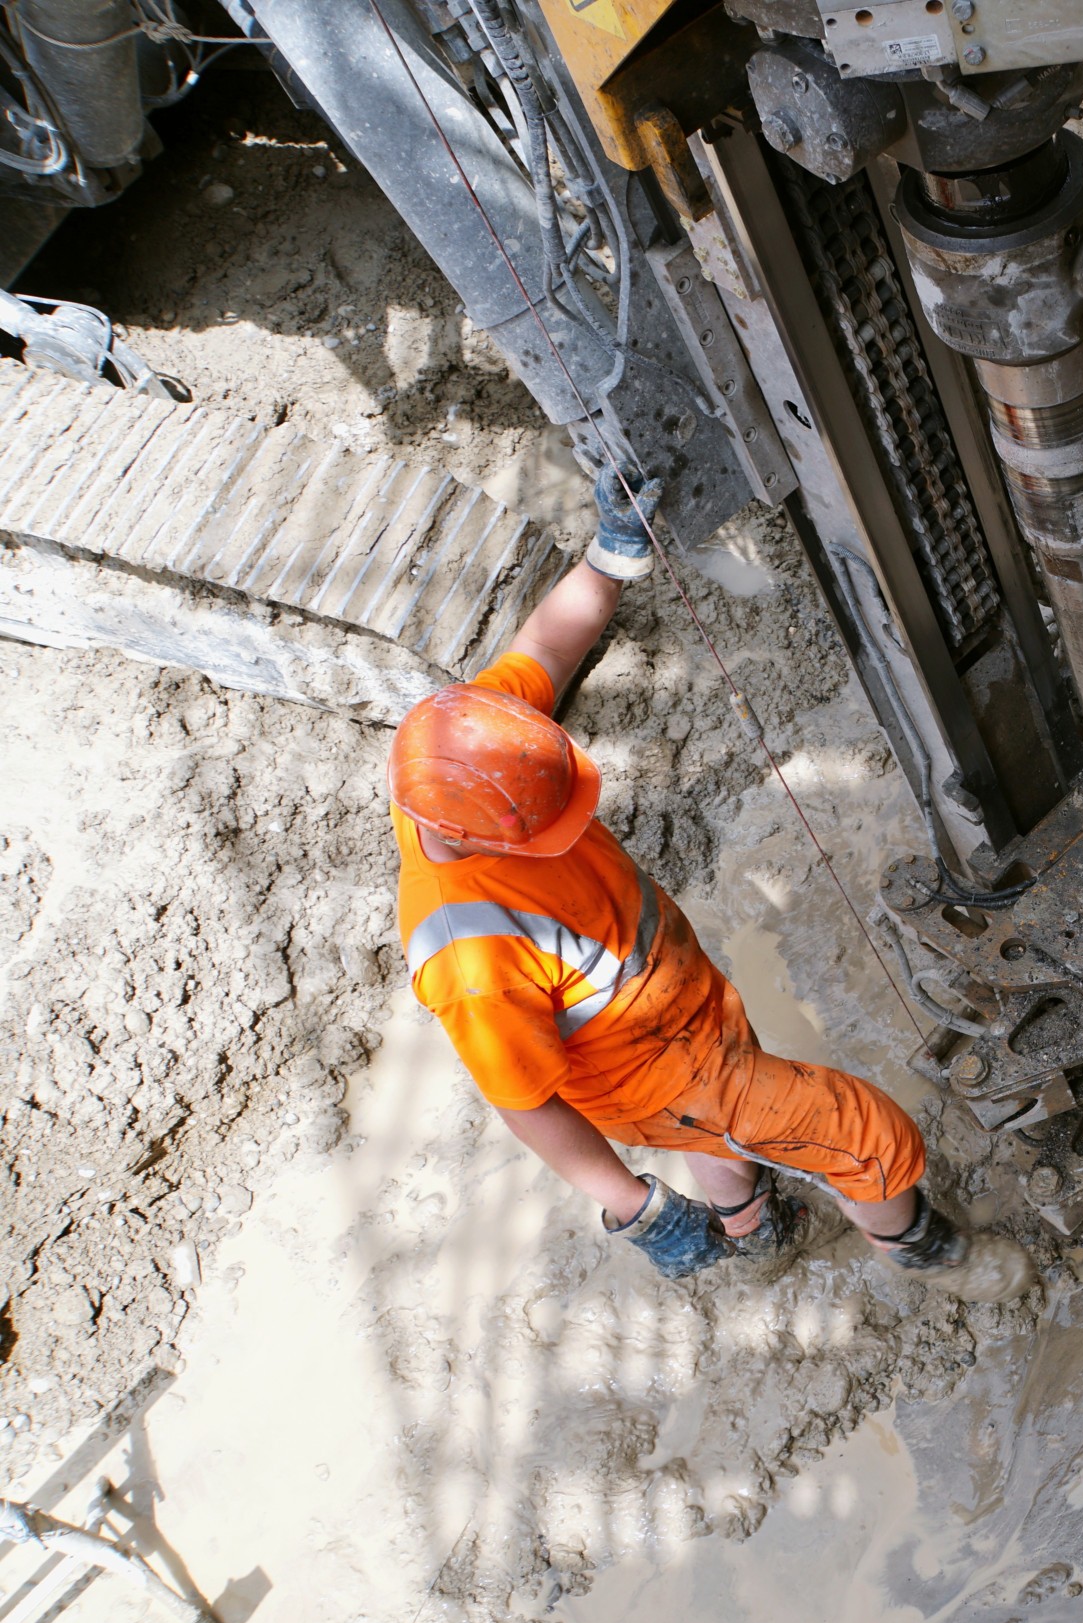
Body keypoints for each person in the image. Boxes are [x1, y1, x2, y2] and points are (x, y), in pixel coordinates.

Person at [386, 464, 1030, 1299]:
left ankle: (758, 1231)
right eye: (549, 833)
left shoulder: (461, 748)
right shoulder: (471, 956)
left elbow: (546, 647)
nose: (576, 829)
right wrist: (635, 1205)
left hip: (678, 1004)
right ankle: (923, 1249)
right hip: (652, 1068)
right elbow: (524, 1102)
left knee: (722, 1139)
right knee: (866, 1132)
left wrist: (609, 561)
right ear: (482, 837)